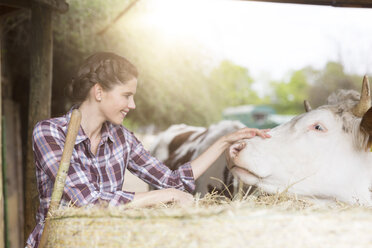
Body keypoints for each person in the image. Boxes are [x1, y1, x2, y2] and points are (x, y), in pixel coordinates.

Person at [26, 52, 271, 248]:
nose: (132, 105)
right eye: (127, 95)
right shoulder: (50, 133)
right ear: (99, 92)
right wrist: (166, 196)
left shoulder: (122, 138)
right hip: (58, 242)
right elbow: (89, 202)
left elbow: (171, 180)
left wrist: (223, 142)